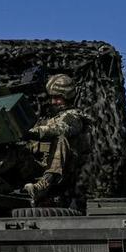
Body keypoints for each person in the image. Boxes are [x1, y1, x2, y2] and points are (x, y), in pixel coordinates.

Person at [20, 74, 89, 205]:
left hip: (64, 173)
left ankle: (43, 185)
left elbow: (61, 129)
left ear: (67, 96)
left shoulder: (74, 117)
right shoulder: (49, 119)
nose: (53, 102)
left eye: (57, 98)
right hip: (41, 166)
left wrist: (34, 132)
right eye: (52, 97)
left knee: (60, 139)